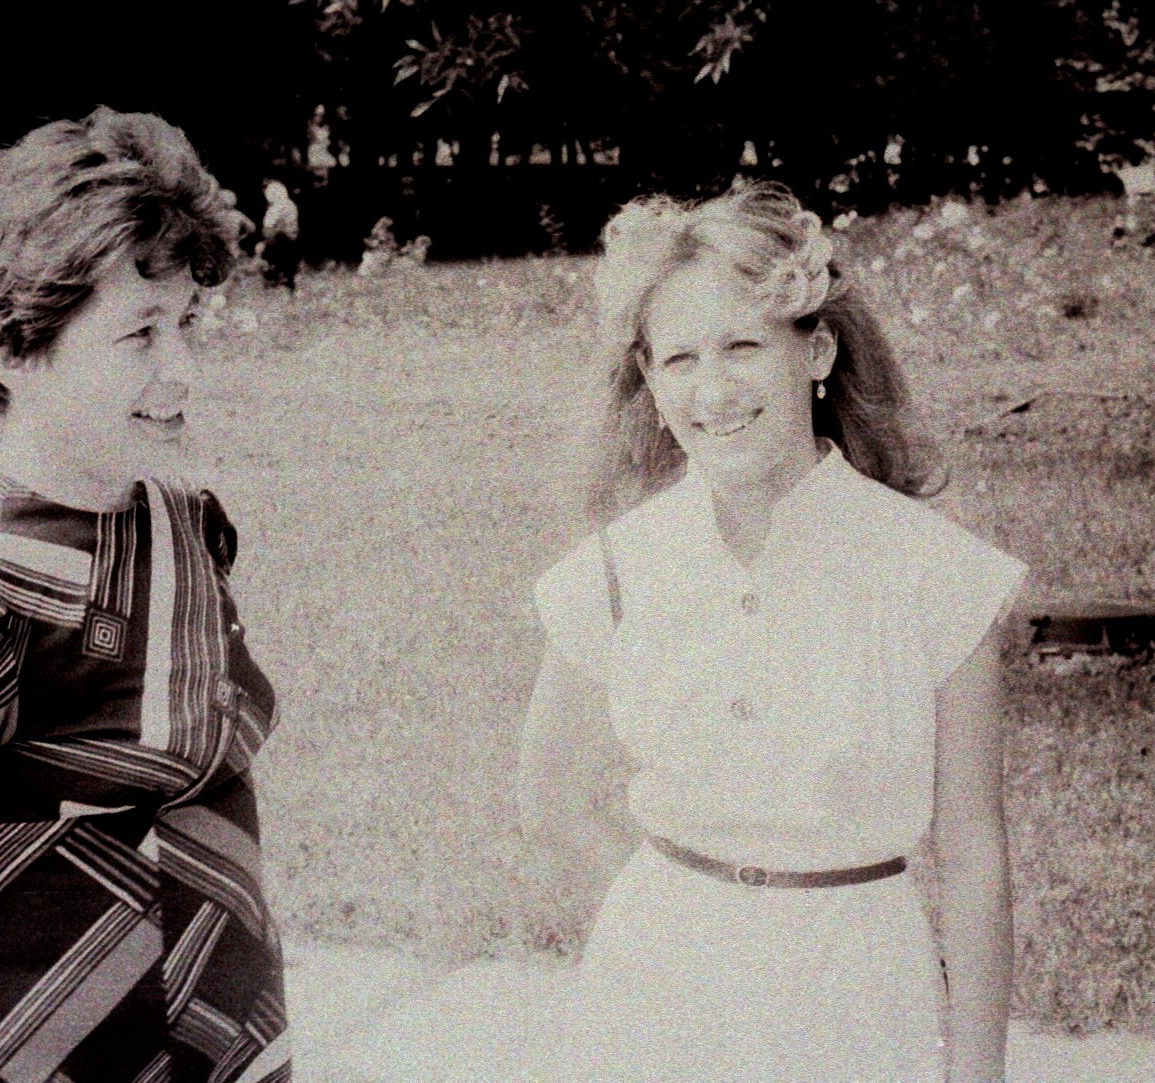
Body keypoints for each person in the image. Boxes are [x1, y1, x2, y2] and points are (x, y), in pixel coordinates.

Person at [366, 181, 1024, 1081]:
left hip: (859, 995)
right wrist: (675, 925)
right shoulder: (619, 568)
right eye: (678, 359)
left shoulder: (932, 573)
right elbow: (546, 796)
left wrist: (977, 1070)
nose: (712, 389)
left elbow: (974, 853)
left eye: (743, 346)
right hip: (658, 1004)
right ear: (647, 379)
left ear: (817, 348)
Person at [0, 108, 290, 1081]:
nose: (181, 368)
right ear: (16, 347)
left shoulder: (186, 522)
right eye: (140, 332)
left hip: (228, 1047)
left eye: (185, 324)